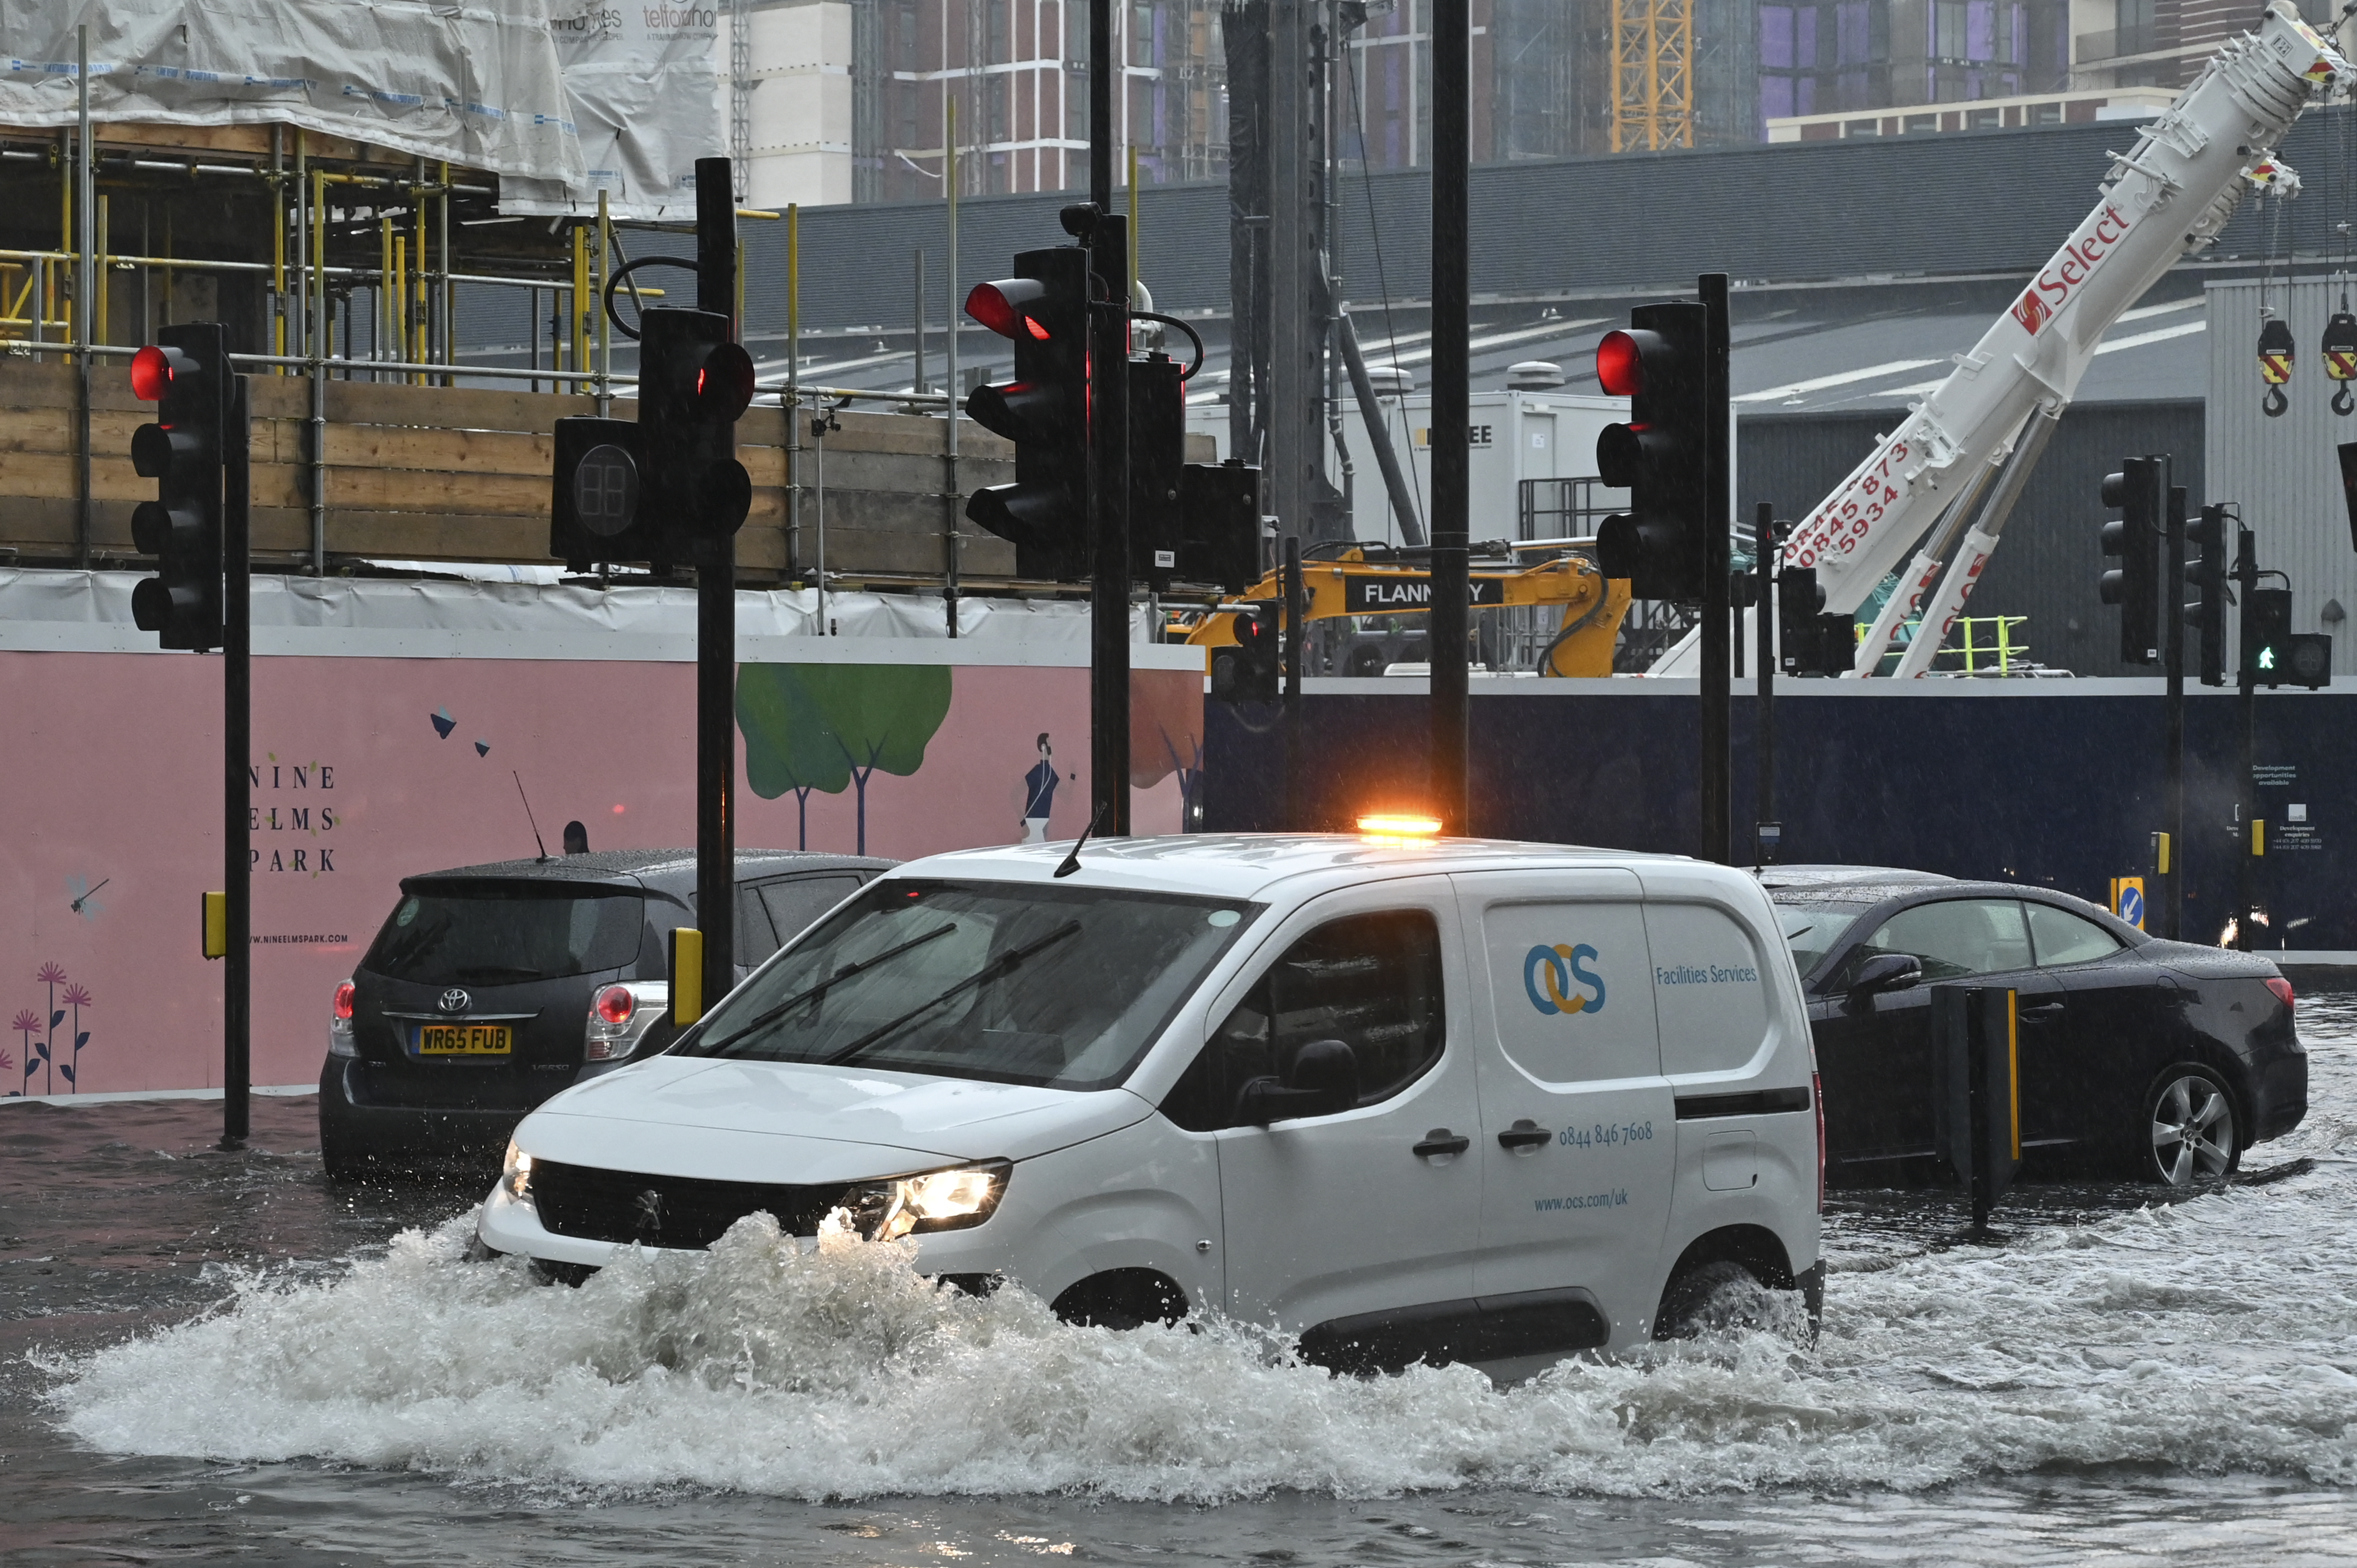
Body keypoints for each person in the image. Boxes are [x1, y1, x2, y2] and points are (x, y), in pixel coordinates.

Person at [1021, 733, 1058, 843]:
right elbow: (1015, 794)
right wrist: (1023, 822)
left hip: (1043, 819)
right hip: (1034, 819)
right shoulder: (1038, 771)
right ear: (1043, 747)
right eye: (1049, 744)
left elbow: (1066, 794)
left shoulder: (1050, 772)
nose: (1051, 747)